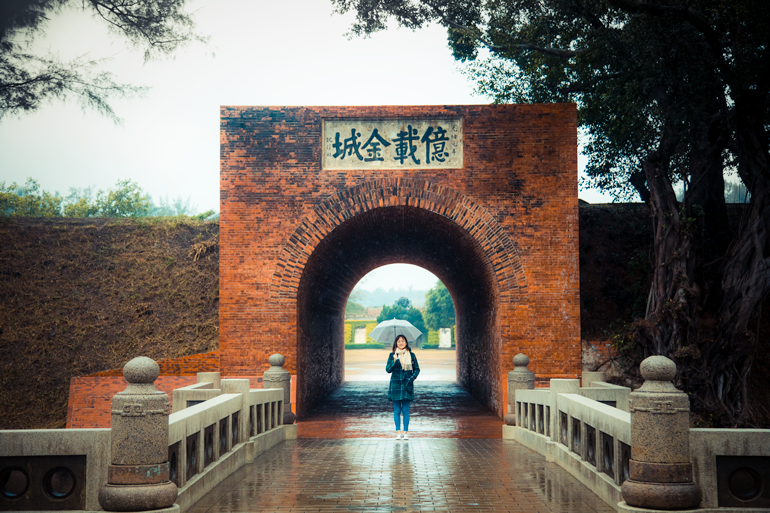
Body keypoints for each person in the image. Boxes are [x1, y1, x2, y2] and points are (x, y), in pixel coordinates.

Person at [386, 334, 420, 440]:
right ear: (396, 343)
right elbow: (388, 370)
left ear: (406, 343)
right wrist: (395, 361)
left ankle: (405, 432)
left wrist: (411, 379)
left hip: (406, 386)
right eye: (399, 341)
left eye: (403, 341)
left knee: (406, 410)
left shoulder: (412, 355)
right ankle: (398, 432)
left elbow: (417, 369)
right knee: (396, 410)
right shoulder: (392, 355)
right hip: (395, 387)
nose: (401, 343)